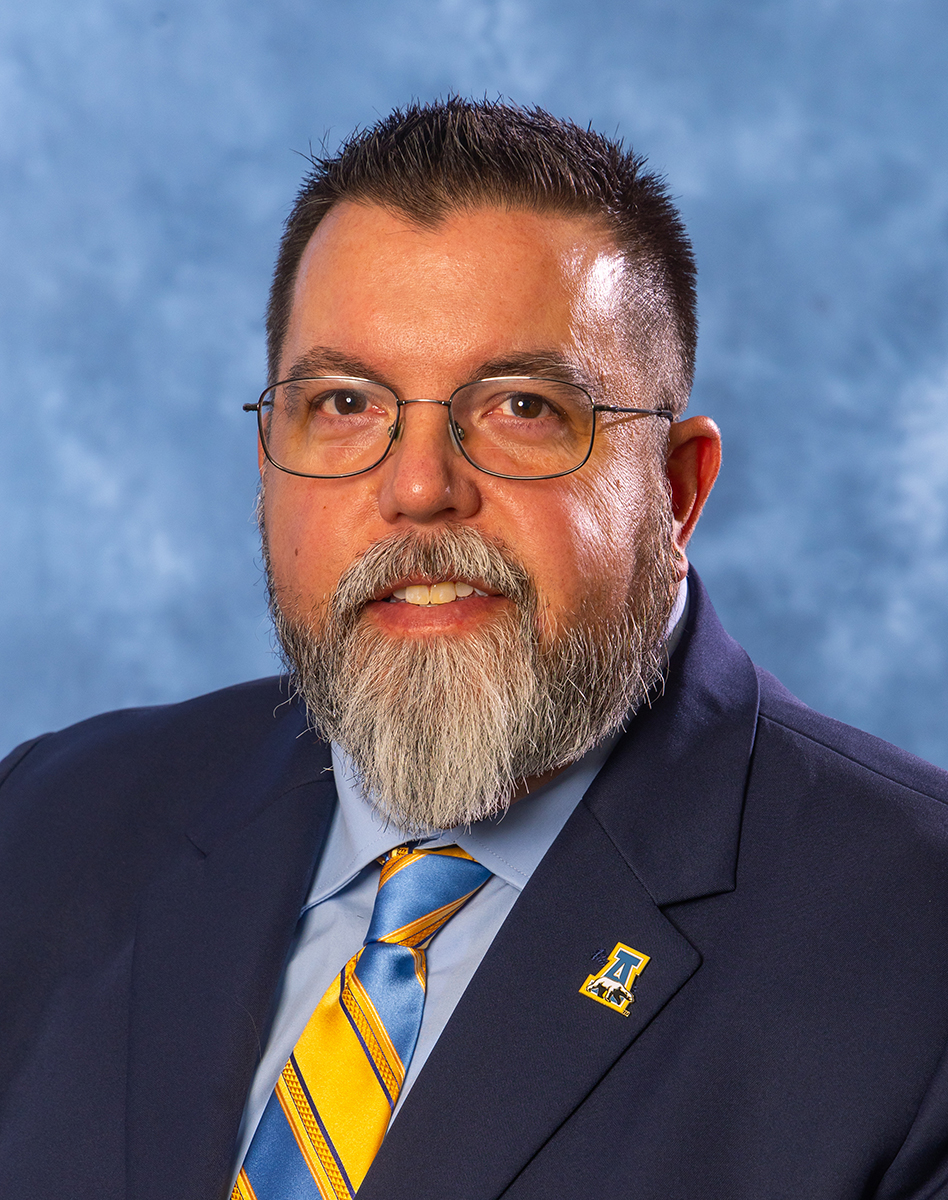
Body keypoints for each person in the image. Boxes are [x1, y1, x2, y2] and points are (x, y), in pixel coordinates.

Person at [2, 98, 948, 1200]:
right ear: (268, 462)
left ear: (677, 493)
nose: (417, 488)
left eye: (522, 407)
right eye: (345, 403)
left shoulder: (916, 953)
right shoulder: (45, 824)